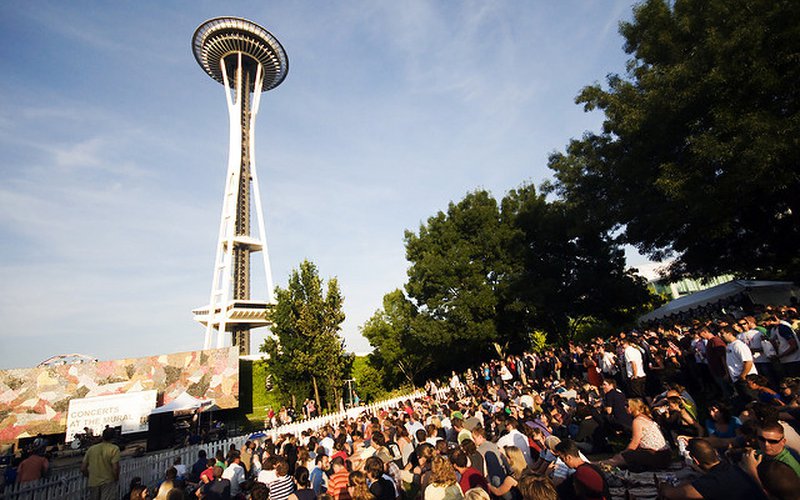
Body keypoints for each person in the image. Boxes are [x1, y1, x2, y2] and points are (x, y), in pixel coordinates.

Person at [659, 438, 766, 500]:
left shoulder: (711, 482)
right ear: (715, 452)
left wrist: (663, 484)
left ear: (695, 461)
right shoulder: (732, 467)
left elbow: (670, 493)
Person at [603, 399, 671, 471]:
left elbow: (635, 443)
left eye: (627, 405)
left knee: (620, 458)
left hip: (655, 455)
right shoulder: (647, 418)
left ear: (632, 407)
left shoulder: (638, 421)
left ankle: (599, 466)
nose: (625, 407)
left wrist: (624, 453)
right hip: (665, 455)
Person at [81, 427, 121, 500]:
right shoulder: (114, 449)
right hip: (108, 481)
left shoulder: (91, 449)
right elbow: (115, 468)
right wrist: (116, 478)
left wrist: (90, 476)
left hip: (93, 483)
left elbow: (83, 468)